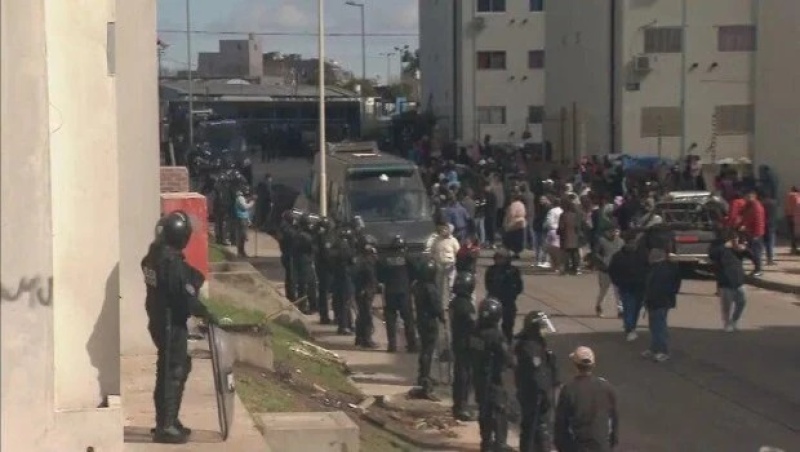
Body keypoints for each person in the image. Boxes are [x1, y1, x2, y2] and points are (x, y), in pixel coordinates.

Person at [142, 211, 213, 444]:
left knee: (172, 368)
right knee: (172, 372)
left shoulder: (154, 256)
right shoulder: (170, 263)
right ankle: (166, 426)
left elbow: (186, 278)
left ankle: (168, 418)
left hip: (159, 320)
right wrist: (205, 312)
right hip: (171, 323)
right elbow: (184, 294)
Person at [554, 346, 619, 452]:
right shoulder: (607, 387)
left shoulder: (569, 389)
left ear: (575, 365)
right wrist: (612, 442)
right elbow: (614, 418)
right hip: (601, 444)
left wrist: (562, 446)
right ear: (593, 365)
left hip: (578, 445)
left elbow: (561, 423)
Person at [471, 298, 514, 452]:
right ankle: (500, 443)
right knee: (500, 411)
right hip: (494, 379)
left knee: (484, 411)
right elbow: (508, 358)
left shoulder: (475, 331)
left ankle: (486, 442)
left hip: (478, 378)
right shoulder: (496, 335)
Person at [514, 311, 559, 452]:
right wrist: (544, 394)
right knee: (537, 428)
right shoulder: (530, 348)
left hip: (531, 393)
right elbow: (538, 376)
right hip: (534, 396)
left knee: (532, 427)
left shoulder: (535, 344)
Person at [378, 236, 419, 353]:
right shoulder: (407, 257)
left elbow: (380, 275)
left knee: (390, 320)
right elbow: (415, 271)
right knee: (408, 319)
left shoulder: (384, 259)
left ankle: (392, 345)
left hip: (390, 292)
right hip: (404, 292)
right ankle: (412, 345)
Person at [641, 248, 682, 362]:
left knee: (659, 327)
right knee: (654, 326)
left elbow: (665, 286)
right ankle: (654, 348)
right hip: (655, 301)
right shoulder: (656, 268)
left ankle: (663, 351)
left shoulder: (664, 269)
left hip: (660, 301)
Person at [412, 258, 444, 400]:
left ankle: (423, 374)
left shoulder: (417, 285)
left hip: (420, 319)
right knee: (428, 350)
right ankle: (424, 376)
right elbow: (436, 305)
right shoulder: (430, 288)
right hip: (430, 320)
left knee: (425, 348)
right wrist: (442, 316)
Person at [608, 231, 649, 342]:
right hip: (626, 287)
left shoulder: (642, 255)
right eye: (631, 243)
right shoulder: (618, 256)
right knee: (629, 308)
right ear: (626, 243)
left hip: (640, 287)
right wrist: (618, 282)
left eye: (634, 243)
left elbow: (648, 270)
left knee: (636, 309)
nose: (633, 245)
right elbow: (612, 271)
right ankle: (630, 328)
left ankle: (631, 327)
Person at [708, 229, 749, 332]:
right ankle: (727, 323)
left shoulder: (738, 249)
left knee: (742, 302)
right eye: (733, 239)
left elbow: (751, 256)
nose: (735, 241)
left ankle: (734, 321)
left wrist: (744, 249)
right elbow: (712, 255)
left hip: (739, 281)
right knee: (727, 306)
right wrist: (724, 247)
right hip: (725, 281)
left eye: (737, 239)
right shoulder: (719, 246)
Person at [450, 271, 477, 421]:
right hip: (465, 344)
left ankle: (459, 405)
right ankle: (462, 407)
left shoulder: (455, 302)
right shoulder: (465, 305)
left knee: (461, 374)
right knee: (464, 376)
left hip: (458, 341)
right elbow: (473, 324)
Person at [485, 249, 524, 344]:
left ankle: (508, 344)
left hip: (508, 301)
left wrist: (512, 295)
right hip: (494, 300)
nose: (499, 260)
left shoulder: (513, 271)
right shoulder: (491, 270)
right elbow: (488, 284)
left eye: (502, 258)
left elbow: (519, 286)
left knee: (508, 325)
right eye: (497, 258)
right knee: (490, 324)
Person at [353, 234, 379, 348]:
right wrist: (364, 289)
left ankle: (359, 338)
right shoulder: (364, 260)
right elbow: (366, 276)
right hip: (365, 290)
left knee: (362, 314)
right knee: (366, 315)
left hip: (365, 289)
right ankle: (366, 339)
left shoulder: (364, 258)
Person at [593, 227, 624, 318]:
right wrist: (603, 261)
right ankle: (599, 306)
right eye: (612, 231)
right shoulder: (601, 241)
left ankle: (620, 310)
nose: (614, 233)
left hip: (617, 269)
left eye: (616, 231)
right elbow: (595, 253)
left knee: (618, 291)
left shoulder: (621, 242)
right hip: (605, 269)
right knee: (604, 290)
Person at [332, 226, 357, 334]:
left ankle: (347, 324)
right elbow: (352, 260)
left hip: (338, 277)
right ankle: (344, 326)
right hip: (345, 277)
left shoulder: (336, 246)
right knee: (345, 302)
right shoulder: (345, 247)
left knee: (342, 302)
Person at [431, 223, 461, 308]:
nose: (443, 231)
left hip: (450, 265)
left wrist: (455, 262)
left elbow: (458, 252)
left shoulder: (453, 240)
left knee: (451, 285)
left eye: (445, 229)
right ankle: (439, 304)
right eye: (442, 229)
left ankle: (452, 303)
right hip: (439, 265)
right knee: (438, 285)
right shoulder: (436, 240)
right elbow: (432, 251)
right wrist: (433, 259)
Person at [315, 217, 336, 324]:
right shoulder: (325, 238)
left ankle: (326, 315)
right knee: (325, 293)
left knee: (326, 292)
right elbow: (327, 255)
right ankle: (324, 316)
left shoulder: (322, 236)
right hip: (326, 269)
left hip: (325, 268)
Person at [277, 210, 298, 302]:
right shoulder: (287, 229)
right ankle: (291, 297)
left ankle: (290, 295)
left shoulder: (283, 227)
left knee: (289, 277)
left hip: (286, 254)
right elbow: (294, 237)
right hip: (289, 255)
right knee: (291, 277)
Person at [234, 188, 255, 257]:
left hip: (244, 218)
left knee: (242, 237)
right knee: (242, 236)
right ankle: (240, 252)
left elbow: (246, 211)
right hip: (241, 218)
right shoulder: (240, 198)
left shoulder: (242, 198)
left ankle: (242, 252)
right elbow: (245, 207)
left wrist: (248, 220)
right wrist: (252, 203)